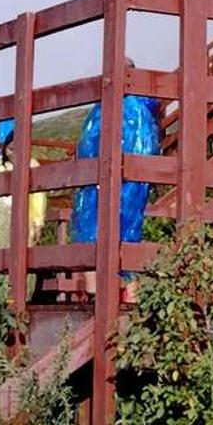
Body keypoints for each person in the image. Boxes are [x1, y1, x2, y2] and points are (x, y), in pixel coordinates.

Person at [69, 69, 161, 302]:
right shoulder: (143, 111)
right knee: (128, 233)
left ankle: (96, 296)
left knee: (92, 233)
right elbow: (150, 149)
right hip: (133, 186)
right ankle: (130, 295)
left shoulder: (106, 108)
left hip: (102, 184)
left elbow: (88, 146)